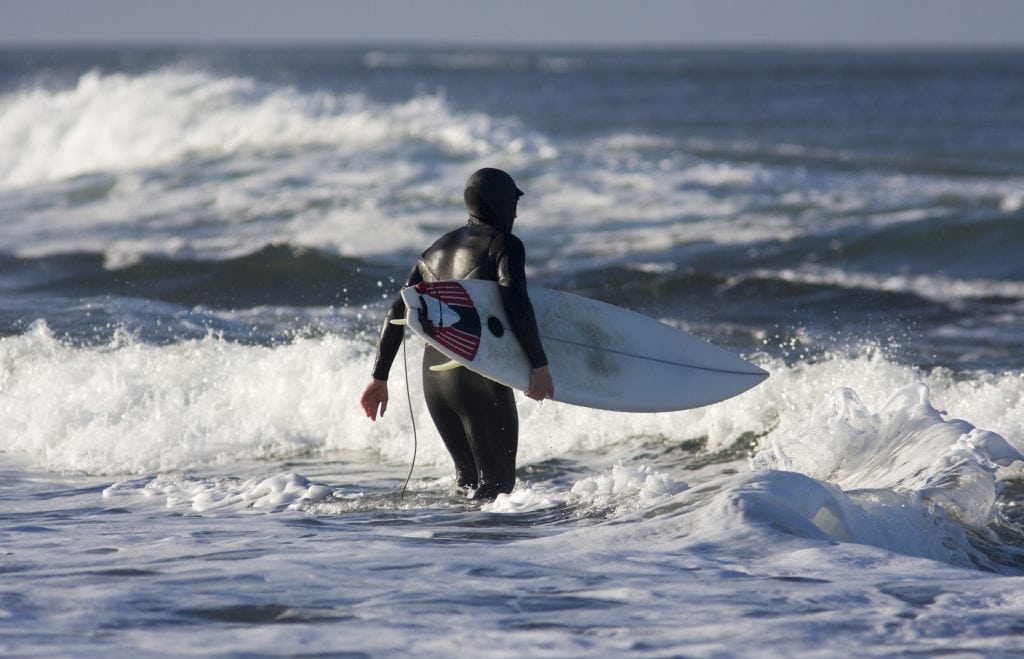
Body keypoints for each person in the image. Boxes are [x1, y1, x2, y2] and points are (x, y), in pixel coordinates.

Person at [360, 168, 555, 500]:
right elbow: (514, 301)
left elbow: (398, 310)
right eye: (513, 201)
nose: (516, 211)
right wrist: (538, 364)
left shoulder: (434, 250)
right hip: (477, 372)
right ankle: (494, 550)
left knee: (467, 483)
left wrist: (379, 377)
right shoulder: (504, 244)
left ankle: (461, 548)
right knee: (498, 486)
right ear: (500, 204)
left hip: (435, 379)